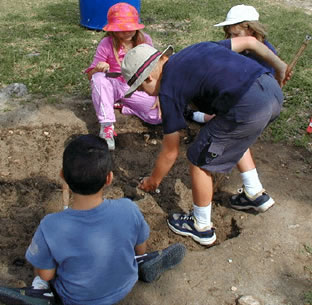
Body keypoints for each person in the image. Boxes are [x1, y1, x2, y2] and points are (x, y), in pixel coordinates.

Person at [120, 38, 287, 246]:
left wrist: (154, 180)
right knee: (231, 134)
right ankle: (254, 193)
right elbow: (249, 42)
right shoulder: (198, 47)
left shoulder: (168, 89)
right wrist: (279, 65)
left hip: (247, 107)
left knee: (198, 158)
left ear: (147, 78)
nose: (142, 93)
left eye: (140, 88)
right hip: (271, 91)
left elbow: (170, 151)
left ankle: (201, 226)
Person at [0, 134, 186, 305]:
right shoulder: (128, 208)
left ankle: (40, 292)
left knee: (42, 273)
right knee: (131, 250)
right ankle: (141, 263)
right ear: (109, 178)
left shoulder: (51, 225)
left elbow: (46, 273)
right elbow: (140, 246)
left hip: (75, 298)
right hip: (124, 285)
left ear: (63, 176)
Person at [85, 2, 161, 150]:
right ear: (112, 30)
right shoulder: (106, 44)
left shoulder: (145, 41)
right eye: (121, 29)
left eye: (130, 28)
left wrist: (159, 95)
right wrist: (97, 69)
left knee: (157, 117)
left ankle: (124, 106)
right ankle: (107, 126)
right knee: (98, 78)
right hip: (113, 84)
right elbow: (90, 75)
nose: (126, 32)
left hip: (137, 87)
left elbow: (155, 70)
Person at [187, 4, 278, 124]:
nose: (232, 38)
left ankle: (204, 117)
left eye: (235, 35)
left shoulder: (265, 56)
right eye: (230, 34)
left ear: (251, 29)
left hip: (245, 99)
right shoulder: (236, 46)